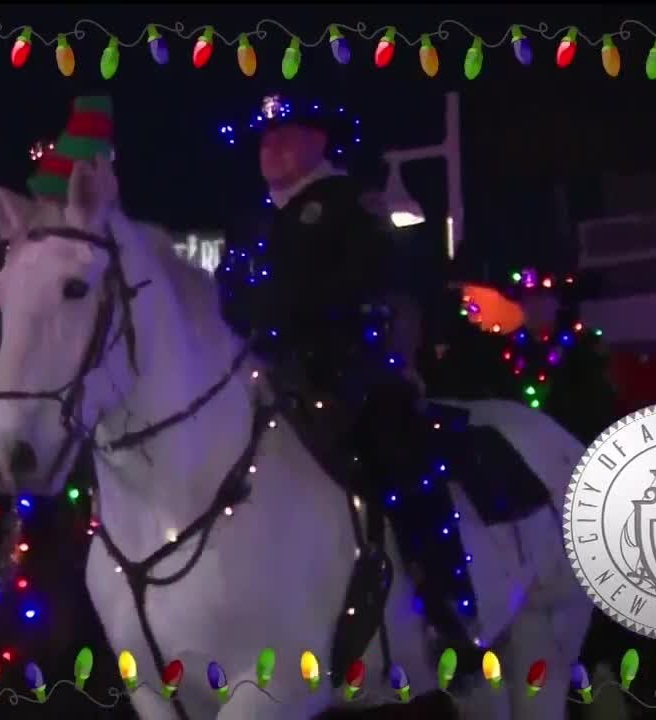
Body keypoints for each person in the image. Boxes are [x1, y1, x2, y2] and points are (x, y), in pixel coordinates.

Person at [219, 94, 481, 679]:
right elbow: (227, 292)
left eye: (285, 134)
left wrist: (279, 312)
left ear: (318, 142)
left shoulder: (349, 204)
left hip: (347, 372)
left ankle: (450, 614)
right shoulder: (254, 220)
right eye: (263, 139)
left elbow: (361, 278)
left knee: (403, 459)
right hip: (259, 372)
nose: (270, 147)